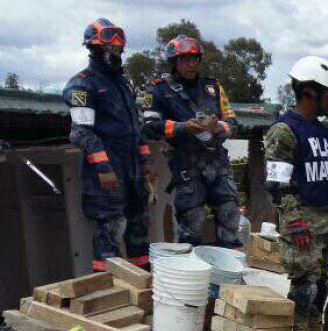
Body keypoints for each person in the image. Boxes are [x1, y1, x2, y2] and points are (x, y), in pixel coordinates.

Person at [263, 55, 328, 331]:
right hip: (302, 221)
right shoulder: (284, 131)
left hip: (326, 221)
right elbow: (276, 184)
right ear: (311, 91)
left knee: (322, 284)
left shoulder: (321, 132)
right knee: (304, 285)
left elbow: (327, 175)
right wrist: (292, 220)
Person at [63, 18, 153, 271]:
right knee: (111, 230)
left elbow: (137, 128)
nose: (115, 51)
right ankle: (107, 293)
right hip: (107, 169)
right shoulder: (82, 84)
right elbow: (80, 132)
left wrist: (145, 160)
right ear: (93, 48)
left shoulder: (124, 85)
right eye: (108, 47)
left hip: (133, 169)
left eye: (118, 47)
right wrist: (104, 167)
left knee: (139, 229)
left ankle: (143, 288)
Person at [143, 35, 242, 249]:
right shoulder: (158, 89)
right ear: (173, 62)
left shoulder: (213, 87)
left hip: (218, 163)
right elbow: (150, 126)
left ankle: (232, 276)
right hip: (186, 165)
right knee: (191, 226)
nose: (190, 64)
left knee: (230, 217)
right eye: (184, 59)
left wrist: (218, 128)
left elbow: (233, 123)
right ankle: (194, 276)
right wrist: (182, 127)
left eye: (194, 58)